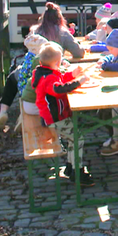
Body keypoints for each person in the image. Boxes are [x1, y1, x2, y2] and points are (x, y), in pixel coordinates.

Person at [32, 43, 94, 186]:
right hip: (54, 119)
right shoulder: (48, 78)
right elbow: (60, 88)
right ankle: (77, 173)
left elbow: (59, 80)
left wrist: (72, 74)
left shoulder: (45, 73)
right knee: (78, 137)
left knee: (74, 137)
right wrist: (80, 80)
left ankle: (71, 167)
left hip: (53, 117)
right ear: (57, 62)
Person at [0, 34, 49, 130]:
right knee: (29, 93)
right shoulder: (42, 57)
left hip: (24, 84)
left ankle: (3, 112)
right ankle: (22, 117)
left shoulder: (29, 55)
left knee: (14, 79)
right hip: (36, 89)